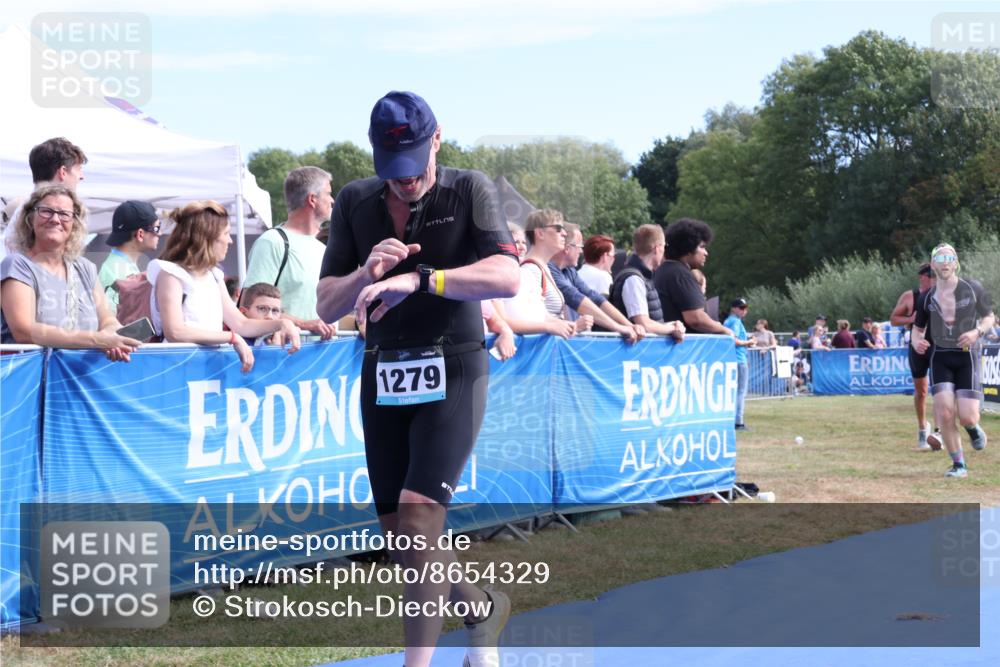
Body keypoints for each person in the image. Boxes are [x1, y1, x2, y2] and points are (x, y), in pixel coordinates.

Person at [315, 91, 520, 667]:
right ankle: (481, 609)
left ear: (437, 139)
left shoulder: (469, 188)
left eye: (414, 168)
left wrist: (420, 280)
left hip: (455, 360)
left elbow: (506, 276)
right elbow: (327, 304)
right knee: (402, 534)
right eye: (392, 171)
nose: (405, 182)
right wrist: (367, 272)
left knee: (418, 514)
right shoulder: (355, 201)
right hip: (383, 367)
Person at [149, 201, 300, 373]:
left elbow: (241, 323)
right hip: (177, 369)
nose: (230, 241)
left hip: (206, 369)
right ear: (207, 237)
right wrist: (231, 338)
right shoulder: (171, 274)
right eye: (226, 233)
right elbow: (175, 332)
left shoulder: (214, 275)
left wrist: (282, 323)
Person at [0, 185, 138, 360]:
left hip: (79, 380)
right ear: (30, 218)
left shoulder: (85, 268)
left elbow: (107, 319)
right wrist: (98, 340)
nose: (55, 219)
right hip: (34, 382)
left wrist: (113, 334)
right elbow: (24, 330)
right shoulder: (18, 265)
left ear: (74, 224)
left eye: (64, 214)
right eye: (46, 211)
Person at [912, 243, 995, 477]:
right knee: (945, 412)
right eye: (940, 257)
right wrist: (917, 342)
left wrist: (977, 332)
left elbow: (990, 317)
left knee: (967, 415)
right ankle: (959, 465)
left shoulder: (973, 288)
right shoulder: (926, 298)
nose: (945, 261)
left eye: (950, 257)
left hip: (967, 356)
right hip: (940, 357)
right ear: (933, 265)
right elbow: (917, 330)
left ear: (956, 263)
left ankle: (972, 427)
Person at [243, 166, 336, 340]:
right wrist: (304, 324)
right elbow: (250, 311)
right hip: (286, 359)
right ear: (312, 199)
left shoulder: (324, 249)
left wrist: (359, 323)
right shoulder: (272, 242)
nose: (332, 200)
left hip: (326, 360)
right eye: (329, 193)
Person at [502, 209, 589, 339]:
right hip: (532, 353)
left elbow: (540, 315)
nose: (564, 233)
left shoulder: (542, 268)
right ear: (540, 233)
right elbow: (514, 318)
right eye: (558, 228)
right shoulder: (529, 270)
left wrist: (571, 326)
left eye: (523, 242)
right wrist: (570, 326)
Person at [549, 223, 643, 343]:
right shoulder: (551, 269)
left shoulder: (569, 270)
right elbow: (577, 298)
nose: (581, 251)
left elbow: (594, 297)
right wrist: (618, 327)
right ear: (567, 248)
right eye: (579, 246)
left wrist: (629, 325)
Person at [2, 137, 87, 262]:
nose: (81, 177)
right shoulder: (32, 215)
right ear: (63, 172)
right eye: (79, 169)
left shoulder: (25, 212)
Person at [653, 218, 733, 336]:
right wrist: (724, 330)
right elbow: (695, 318)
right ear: (688, 248)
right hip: (683, 350)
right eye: (702, 247)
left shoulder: (663, 271)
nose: (706, 252)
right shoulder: (680, 274)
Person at [891, 263, 939, 450]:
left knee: (940, 390)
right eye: (931, 275)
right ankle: (922, 428)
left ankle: (938, 432)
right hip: (917, 346)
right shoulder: (910, 296)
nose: (935, 278)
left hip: (937, 346)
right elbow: (894, 318)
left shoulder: (942, 295)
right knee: (921, 392)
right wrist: (910, 319)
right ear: (922, 277)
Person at [608, 224, 685, 340]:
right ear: (657, 248)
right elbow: (644, 325)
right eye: (664, 246)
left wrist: (671, 325)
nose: (664, 251)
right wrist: (673, 329)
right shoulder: (633, 279)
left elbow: (648, 324)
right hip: (634, 353)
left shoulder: (640, 277)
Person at [98, 201, 161, 312]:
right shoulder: (119, 271)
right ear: (140, 234)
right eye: (156, 228)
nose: (159, 233)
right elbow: (116, 322)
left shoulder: (118, 265)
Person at [723, 298, 756, 430]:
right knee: (741, 391)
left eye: (746, 308)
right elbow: (734, 340)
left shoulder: (727, 321)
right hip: (739, 359)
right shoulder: (735, 321)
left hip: (731, 359)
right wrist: (749, 342)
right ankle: (739, 422)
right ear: (734, 308)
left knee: (733, 391)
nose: (744, 311)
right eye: (741, 308)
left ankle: (732, 420)